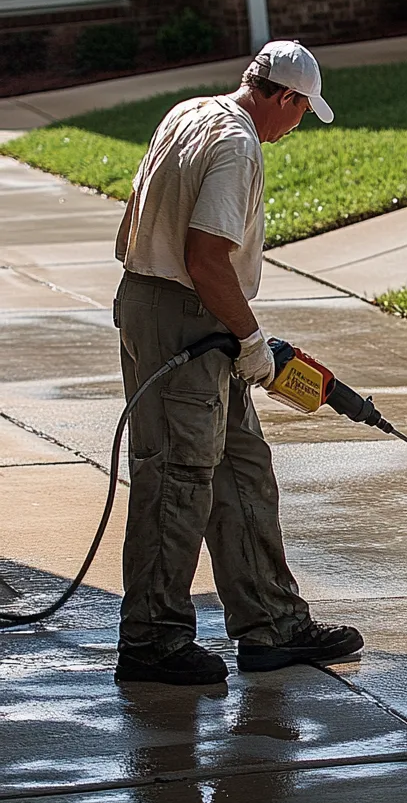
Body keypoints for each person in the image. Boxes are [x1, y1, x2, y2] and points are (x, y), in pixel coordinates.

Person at [111, 40, 363, 686]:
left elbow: (135, 219)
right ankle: (152, 641)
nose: (299, 123)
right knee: (178, 475)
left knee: (241, 468)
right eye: (302, 109)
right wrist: (250, 340)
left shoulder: (189, 112)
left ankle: (273, 625)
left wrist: (237, 336)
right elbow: (206, 257)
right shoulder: (236, 143)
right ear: (282, 96)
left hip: (169, 305)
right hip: (186, 311)